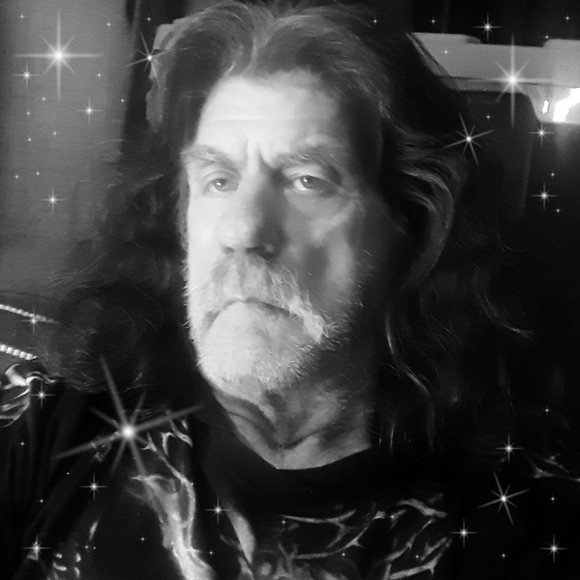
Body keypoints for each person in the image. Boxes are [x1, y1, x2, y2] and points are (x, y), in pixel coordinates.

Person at [1, 1, 579, 578]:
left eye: (307, 180)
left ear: (412, 228)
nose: (242, 229)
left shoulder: (522, 515)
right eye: (218, 180)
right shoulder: (51, 427)